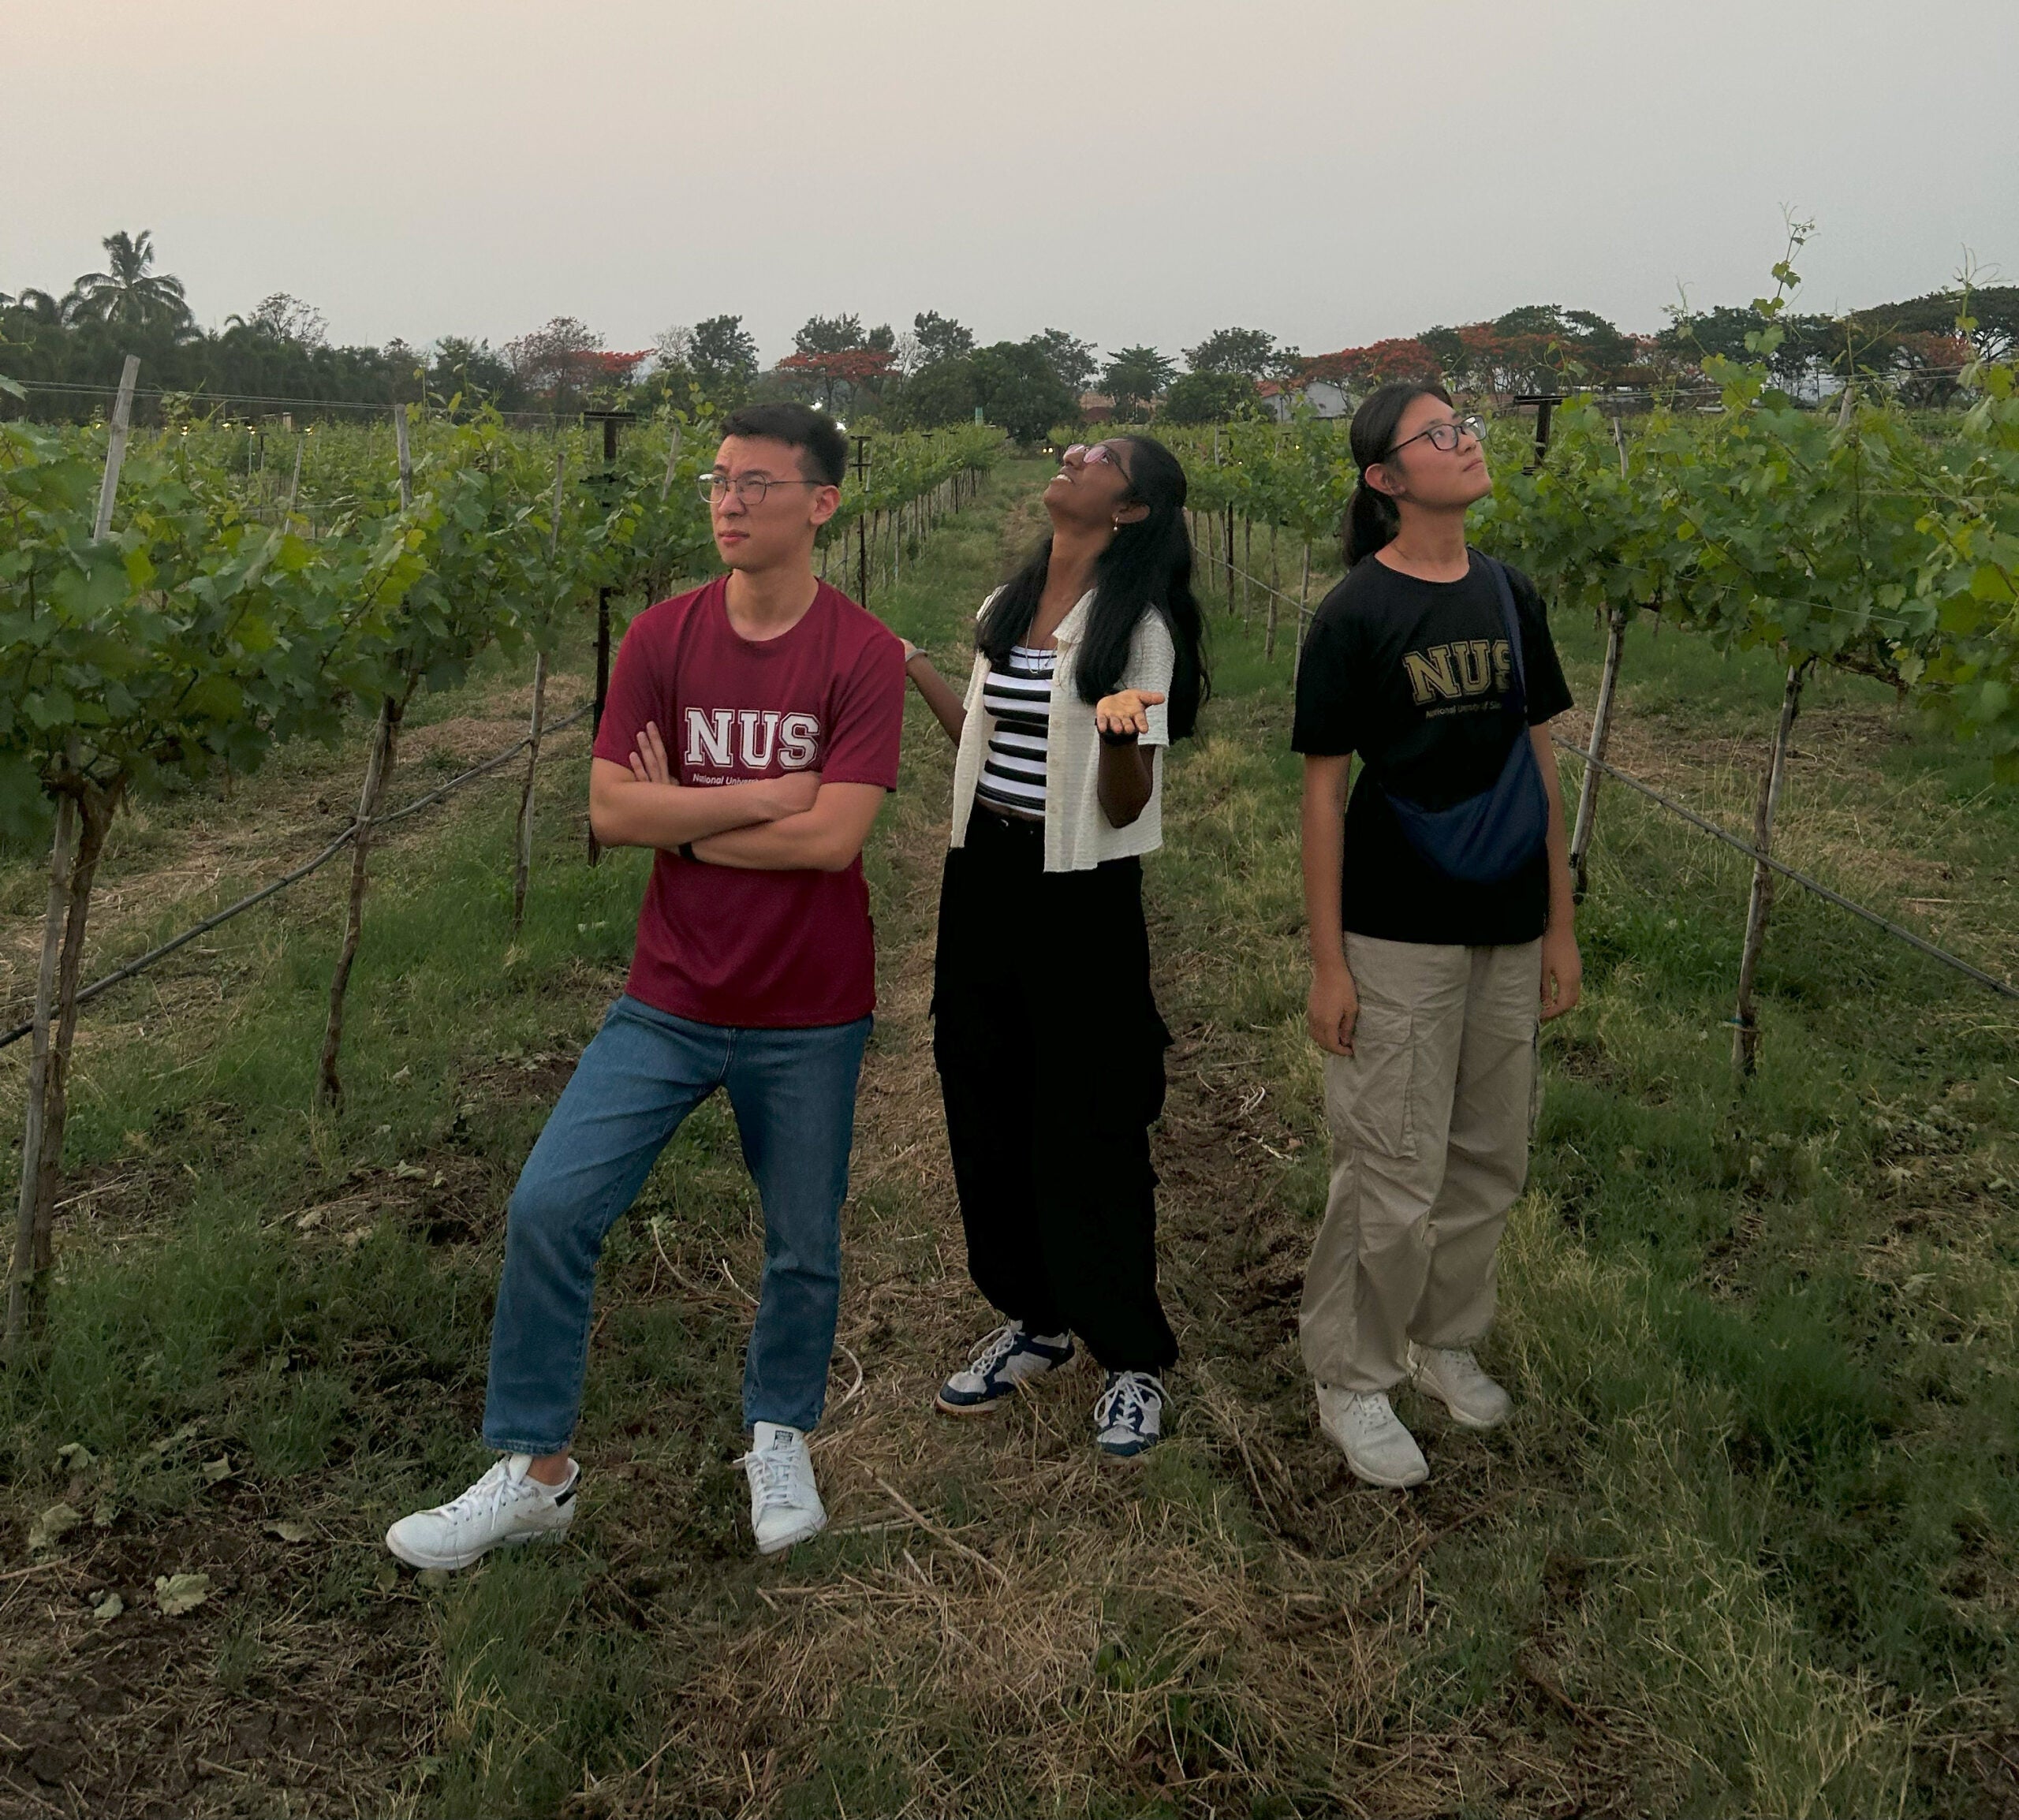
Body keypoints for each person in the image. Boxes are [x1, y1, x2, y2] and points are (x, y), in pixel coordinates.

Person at [386, 403, 905, 1567]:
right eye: (719, 482)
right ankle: (534, 1468)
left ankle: (778, 1435)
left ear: (821, 504)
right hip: (668, 997)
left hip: (811, 1008)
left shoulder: (863, 654)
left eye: (758, 484)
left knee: (802, 1241)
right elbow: (614, 811)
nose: (729, 501)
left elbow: (835, 845)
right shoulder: (663, 638)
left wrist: (691, 822)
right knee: (550, 1207)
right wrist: (764, 799)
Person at [1291, 382, 1580, 1489]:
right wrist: (1330, 963)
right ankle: (1352, 1374)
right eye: (1438, 432)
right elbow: (1324, 796)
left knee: (1488, 1151)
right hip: (1398, 924)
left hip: (1506, 916)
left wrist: (1559, 927)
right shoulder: (1356, 614)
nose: (1464, 440)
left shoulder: (1511, 594)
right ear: (1386, 480)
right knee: (1390, 1162)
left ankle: (1442, 1338)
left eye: (1466, 425)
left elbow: (1541, 765)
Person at [900, 435, 1208, 1459]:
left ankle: (1129, 1356)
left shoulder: (1139, 629)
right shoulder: (1006, 605)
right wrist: (913, 667)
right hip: (982, 877)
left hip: (1079, 892)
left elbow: (1126, 800)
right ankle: (1035, 1320)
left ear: (1128, 511)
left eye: (1103, 455)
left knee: (1091, 1114)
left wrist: (1122, 741)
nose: (1077, 454)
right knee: (979, 1087)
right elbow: (985, 747)